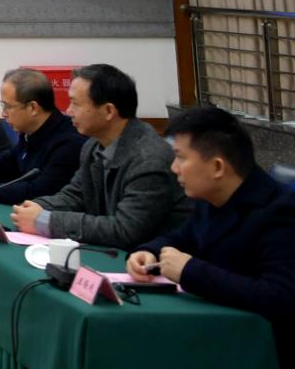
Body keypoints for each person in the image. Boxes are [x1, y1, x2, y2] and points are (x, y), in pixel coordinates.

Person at [128, 106, 295, 369]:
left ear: (217, 166)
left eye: (180, 157)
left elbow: (283, 298)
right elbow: (184, 237)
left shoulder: (278, 217)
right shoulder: (215, 199)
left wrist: (191, 271)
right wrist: (149, 252)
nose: (174, 167)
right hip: (231, 348)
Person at [13, 63, 189, 248]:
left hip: (153, 258)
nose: (68, 111)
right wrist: (37, 207)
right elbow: (74, 196)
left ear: (108, 111)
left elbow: (125, 230)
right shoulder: (93, 146)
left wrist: (46, 220)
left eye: (75, 103)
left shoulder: (149, 158)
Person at [0, 68, 83, 204]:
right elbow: (1, 164)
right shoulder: (30, 133)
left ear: (33, 108)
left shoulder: (69, 141)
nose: (3, 114)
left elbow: (39, 190)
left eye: (7, 106)